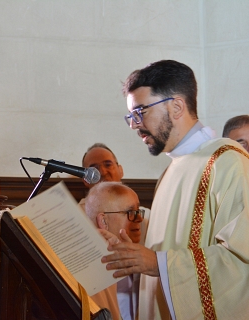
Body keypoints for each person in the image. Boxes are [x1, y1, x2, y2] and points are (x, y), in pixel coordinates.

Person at [100, 60, 249, 319]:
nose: (135, 125)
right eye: (131, 116)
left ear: (177, 106)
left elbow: (239, 261)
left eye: (140, 112)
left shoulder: (227, 161)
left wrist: (156, 263)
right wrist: (132, 257)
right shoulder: (171, 171)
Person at [85, 181, 144, 320]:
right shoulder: (89, 273)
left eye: (138, 211)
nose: (140, 218)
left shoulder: (146, 257)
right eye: (130, 212)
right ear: (103, 221)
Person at [79, 143, 124, 210]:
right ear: (85, 180)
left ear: (120, 170)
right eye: (94, 169)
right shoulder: (77, 215)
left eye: (108, 165)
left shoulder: (141, 216)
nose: (103, 172)